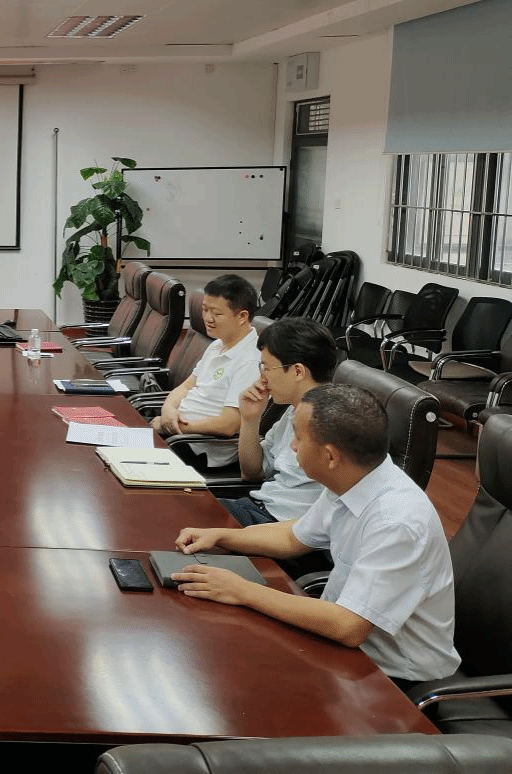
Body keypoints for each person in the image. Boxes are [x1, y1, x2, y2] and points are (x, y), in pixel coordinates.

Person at [173, 384, 461, 686]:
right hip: (342, 647)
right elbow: (292, 538)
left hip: (392, 679)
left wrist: (241, 591)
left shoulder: (397, 522)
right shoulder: (353, 478)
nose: (292, 446)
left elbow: (348, 626)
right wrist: (221, 537)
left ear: (330, 456)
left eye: (299, 437)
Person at [220, 318, 339, 527]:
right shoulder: (294, 410)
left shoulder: (331, 422)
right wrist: (250, 419)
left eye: (266, 368)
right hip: (258, 508)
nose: (262, 377)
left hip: (278, 525)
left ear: (298, 371)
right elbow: (252, 473)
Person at [153, 274, 261, 470]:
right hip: (179, 435)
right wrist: (168, 410)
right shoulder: (217, 344)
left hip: (200, 449)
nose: (208, 319)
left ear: (242, 317)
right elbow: (187, 386)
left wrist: (171, 426)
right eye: (205, 310)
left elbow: (228, 425)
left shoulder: (250, 360)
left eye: (217, 314)